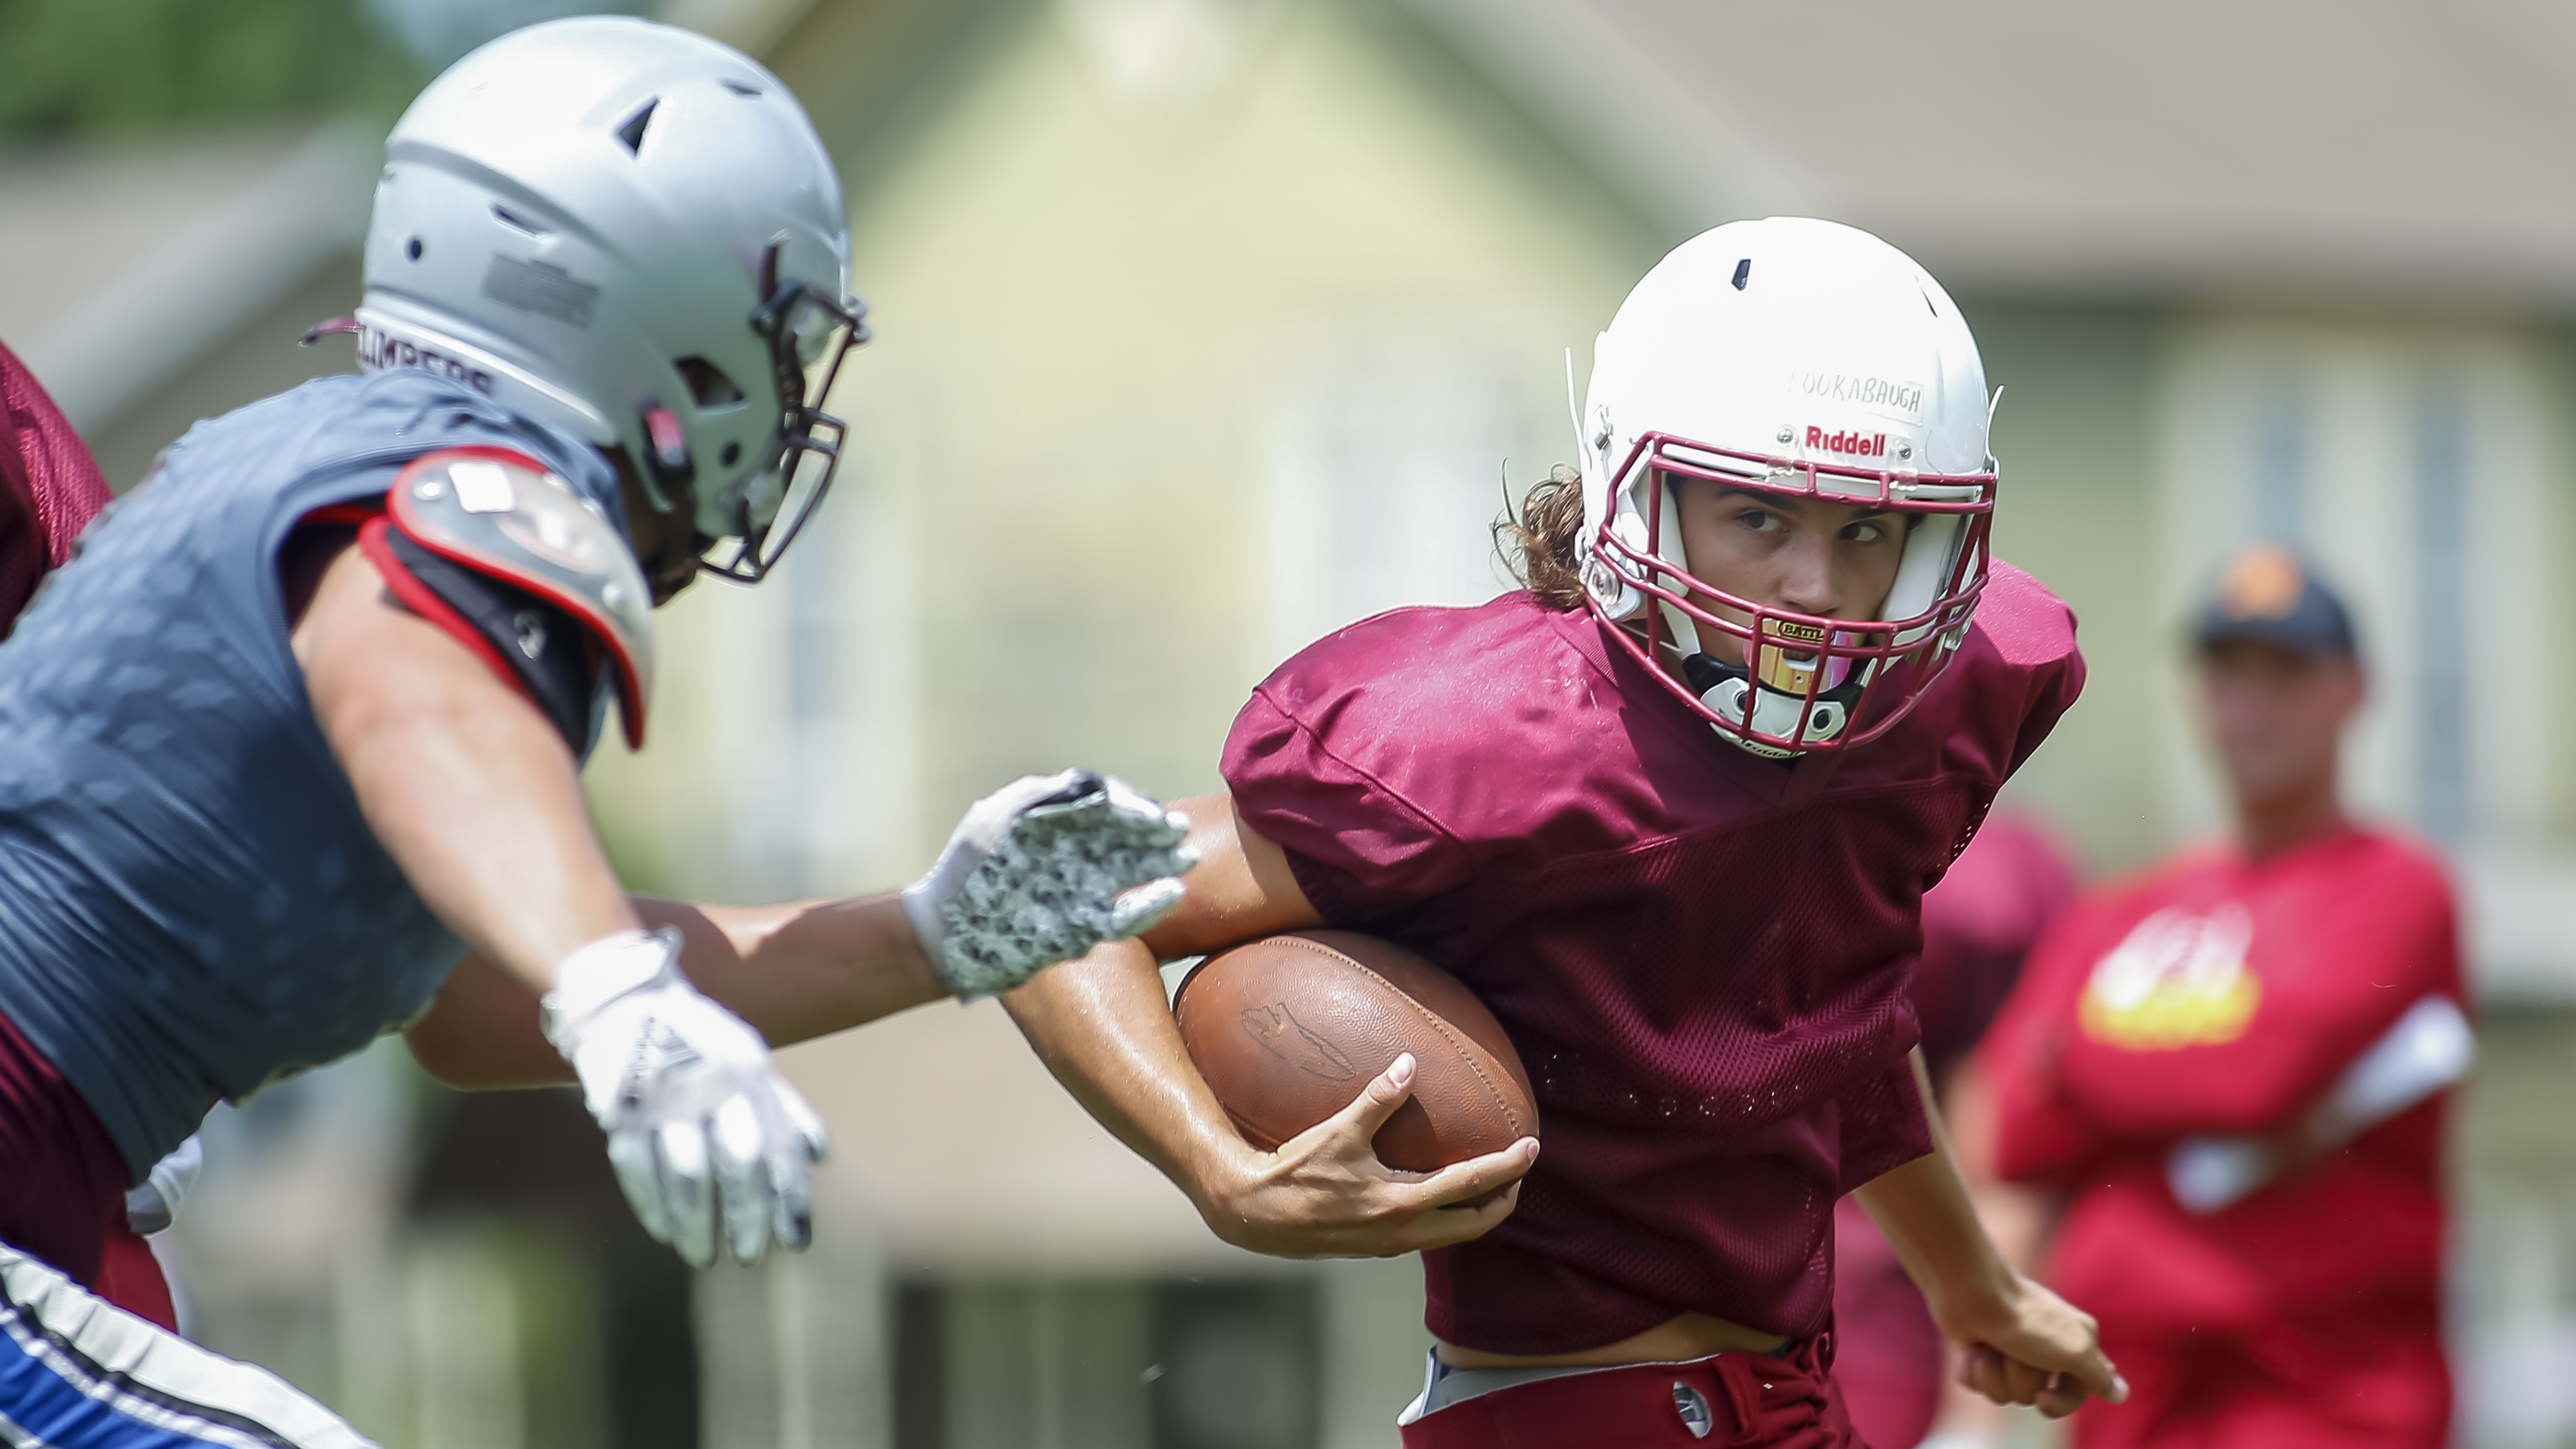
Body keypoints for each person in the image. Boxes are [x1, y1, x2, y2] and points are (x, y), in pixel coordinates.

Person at [0, 19, 1189, 1447]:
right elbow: (410, 686)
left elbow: (474, 997)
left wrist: (925, 933)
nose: (791, 394)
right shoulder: (490, 496)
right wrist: (621, 993)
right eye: (780, 337)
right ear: (650, 314)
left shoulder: (341, 448)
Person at [1000, 217, 2126, 1446]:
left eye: (1865, 530)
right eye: (1759, 517)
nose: (1816, 586)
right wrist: (1212, 1165)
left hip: (1800, 1398)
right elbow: (1041, 888)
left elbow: (1840, 1017)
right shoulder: (1497, 742)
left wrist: (1973, 1283)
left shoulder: (1929, 705)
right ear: (1639, 489)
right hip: (1573, 1411)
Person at [1979, 544, 2467, 1448]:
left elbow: (2257, 1078)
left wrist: (2072, 1062)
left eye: (2284, 674)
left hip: (2329, 1401)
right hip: (2128, 1396)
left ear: (2354, 690)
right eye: (2225, 674)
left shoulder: (2394, 887)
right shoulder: (2118, 911)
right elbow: (2009, 1129)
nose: (2249, 706)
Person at [1828, 811, 2079, 1449]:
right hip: (1755, 1330)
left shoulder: (1993, 879)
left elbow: (1999, 1156)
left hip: (1893, 1344)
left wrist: (1971, 1421)